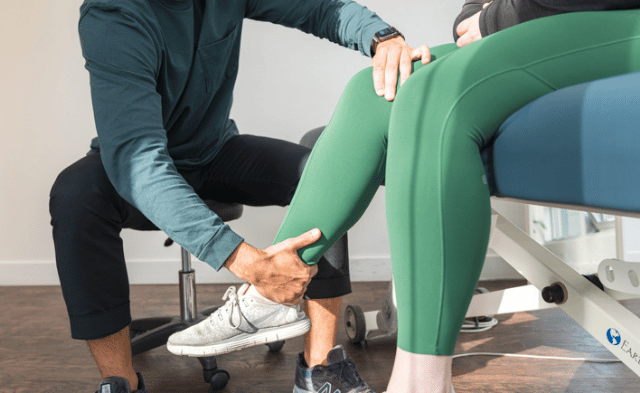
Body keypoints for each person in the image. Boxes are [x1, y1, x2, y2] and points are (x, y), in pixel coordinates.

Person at [254, 1, 640, 392]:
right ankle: (267, 287)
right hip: (542, 21)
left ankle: (422, 383)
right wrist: (477, 16)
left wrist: (495, 18)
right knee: (370, 89)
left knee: (431, 94)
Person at [48, 0, 431, 392]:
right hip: (140, 164)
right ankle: (120, 381)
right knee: (75, 196)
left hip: (213, 152)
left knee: (322, 171)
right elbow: (138, 160)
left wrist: (381, 37)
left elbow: (320, 8)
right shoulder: (112, 15)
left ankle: (320, 369)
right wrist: (250, 263)